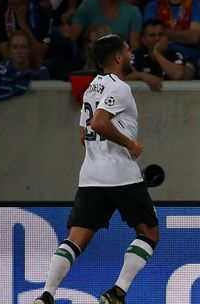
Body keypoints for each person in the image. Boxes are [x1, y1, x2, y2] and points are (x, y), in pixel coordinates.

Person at [33, 34, 159, 304]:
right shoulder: (120, 87)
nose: (130, 54)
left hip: (91, 176)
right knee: (149, 233)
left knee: (75, 239)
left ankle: (46, 294)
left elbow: (83, 134)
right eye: (127, 50)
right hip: (122, 174)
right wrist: (130, 144)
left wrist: (99, 153)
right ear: (117, 57)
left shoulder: (92, 88)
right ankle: (118, 291)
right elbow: (100, 123)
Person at [127, 19, 188, 84]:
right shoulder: (136, 55)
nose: (157, 38)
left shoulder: (175, 53)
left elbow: (178, 75)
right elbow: (125, 75)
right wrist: (143, 75)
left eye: (161, 34)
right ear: (144, 40)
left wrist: (156, 53)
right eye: (152, 35)